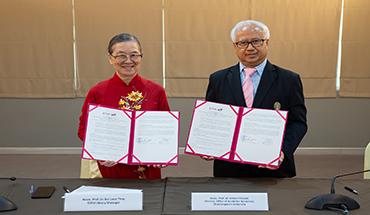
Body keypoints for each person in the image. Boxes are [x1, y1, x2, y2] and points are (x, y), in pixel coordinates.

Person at [205, 20, 307, 177]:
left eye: (256, 41)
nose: (250, 48)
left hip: (272, 168)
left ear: (267, 43)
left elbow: (297, 123)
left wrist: (283, 151)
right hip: (229, 168)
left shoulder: (289, 80)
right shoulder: (218, 79)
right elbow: (211, 120)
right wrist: (208, 144)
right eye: (243, 43)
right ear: (235, 46)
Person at [78, 33, 170, 179]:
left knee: (149, 201)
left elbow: (165, 128)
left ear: (140, 57)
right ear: (110, 58)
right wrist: (101, 151)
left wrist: (162, 152)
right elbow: (84, 129)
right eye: (121, 55)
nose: (128, 61)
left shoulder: (156, 91)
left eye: (134, 55)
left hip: (147, 167)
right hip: (111, 166)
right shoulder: (98, 91)